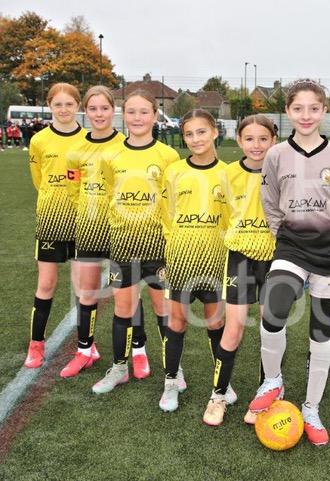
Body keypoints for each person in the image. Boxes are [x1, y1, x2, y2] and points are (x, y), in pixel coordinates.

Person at [249, 79, 330, 446]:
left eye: (313, 108)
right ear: (288, 112)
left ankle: (311, 408)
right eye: (298, 108)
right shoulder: (276, 155)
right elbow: (270, 203)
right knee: (274, 307)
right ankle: (273, 380)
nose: (306, 115)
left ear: (324, 111)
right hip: (291, 247)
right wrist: (287, 235)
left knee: (321, 334)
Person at [92, 90, 180, 394]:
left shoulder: (168, 156)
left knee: (163, 309)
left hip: (159, 247)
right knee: (123, 309)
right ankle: (119, 368)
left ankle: (174, 371)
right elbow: (108, 195)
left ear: (155, 116)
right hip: (123, 244)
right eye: (131, 112)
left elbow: (174, 201)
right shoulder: (110, 155)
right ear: (123, 115)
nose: (138, 118)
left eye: (144, 112)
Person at [158, 109, 235, 417]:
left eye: (201, 132)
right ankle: (171, 381)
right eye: (189, 134)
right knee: (176, 321)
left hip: (216, 259)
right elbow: (166, 216)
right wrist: (172, 252)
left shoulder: (229, 173)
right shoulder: (174, 172)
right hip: (181, 257)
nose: (195, 139)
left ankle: (222, 384)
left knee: (216, 322)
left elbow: (233, 219)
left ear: (215, 132)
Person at [205, 114, 278, 426]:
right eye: (249, 139)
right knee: (233, 327)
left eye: (263, 139)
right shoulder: (228, 174)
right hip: (240, 257)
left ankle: (267, 396)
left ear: (273, 141)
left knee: (270, 328)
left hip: (275, 258)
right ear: (239, 140)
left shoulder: (283, 172)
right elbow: (223, 216)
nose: (256, 145)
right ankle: (218, 395)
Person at [60, 86, 126, 378]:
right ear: (84, 111)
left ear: (113, 110)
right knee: (86, 292)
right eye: (93, 108)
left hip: (121, 229)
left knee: (125, 296)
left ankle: (137, 350)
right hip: (88, 229)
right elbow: (73, 189)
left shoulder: (125, 145)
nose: (99, 114)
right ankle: (85, 351)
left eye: (104, 108)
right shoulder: (75, 150)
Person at [24, 83, 86, 368]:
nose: (63, 109)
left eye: (69, 104)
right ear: (50, 106)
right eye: (58, 104)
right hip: (51, 219)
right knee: (46, 283)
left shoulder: (88, 139)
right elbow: (39, 180)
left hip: (83, 221)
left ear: (78, 106)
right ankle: (36, 345)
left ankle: (86, 344)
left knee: (82, 286)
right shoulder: (39, 140)